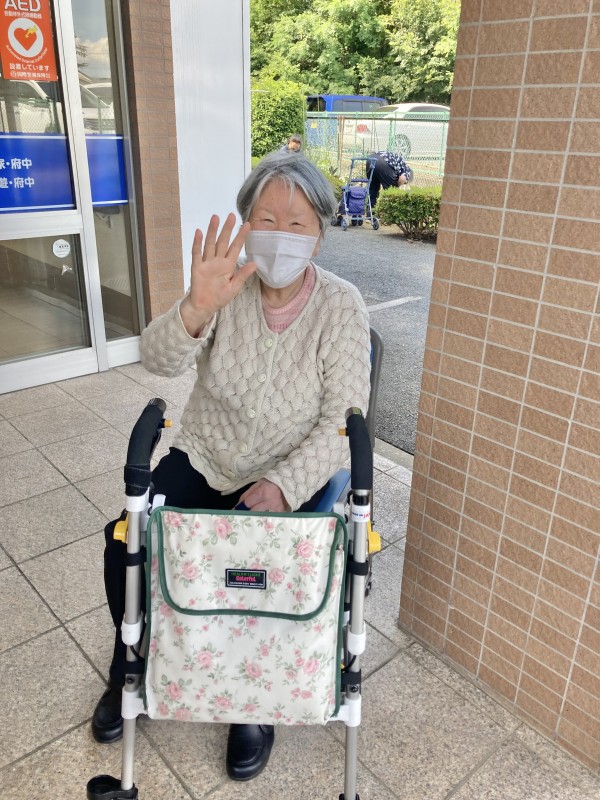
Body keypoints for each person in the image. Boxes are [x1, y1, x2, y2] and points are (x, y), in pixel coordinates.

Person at [91, 151, 371, 782]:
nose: (281, 234)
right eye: (266, 219)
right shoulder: (229, 285)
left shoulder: (341, 305)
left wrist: (285, 484)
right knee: (127, 540)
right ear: (246, 224)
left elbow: (343, 420)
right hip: (207, 453)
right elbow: (157, 362)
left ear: (320, 234)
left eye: (297, 223)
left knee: (261, 570)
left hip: (289, 470)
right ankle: (130, 661)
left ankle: (255, 700)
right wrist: (195, 308)